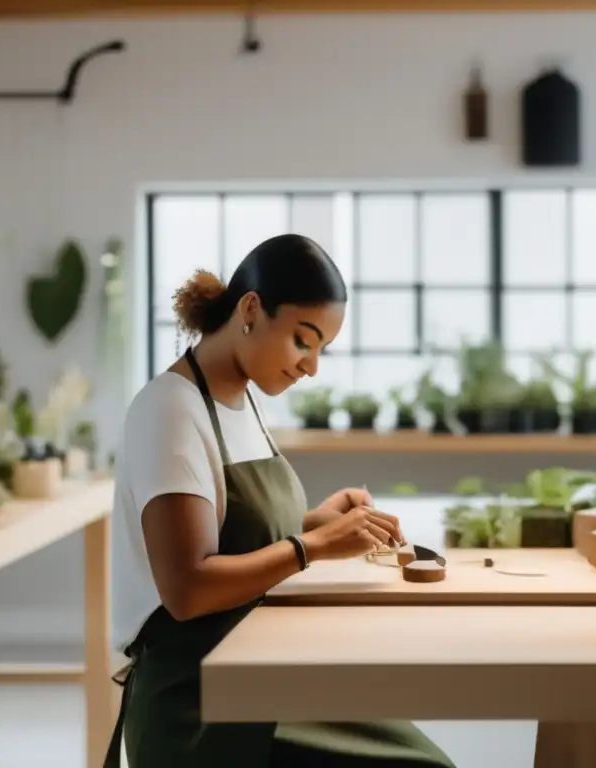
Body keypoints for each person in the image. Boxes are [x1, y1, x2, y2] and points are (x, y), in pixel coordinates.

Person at [106, 234, 455, 768]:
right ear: (250, 309)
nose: (311, 366)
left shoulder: (242, 398)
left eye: (321, 349)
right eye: (302, 340)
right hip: (198, 702)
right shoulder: (170, 411)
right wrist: (311, 546)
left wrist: (321, 523)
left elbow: (236, 535)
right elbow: (188, 590)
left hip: (256, 666)